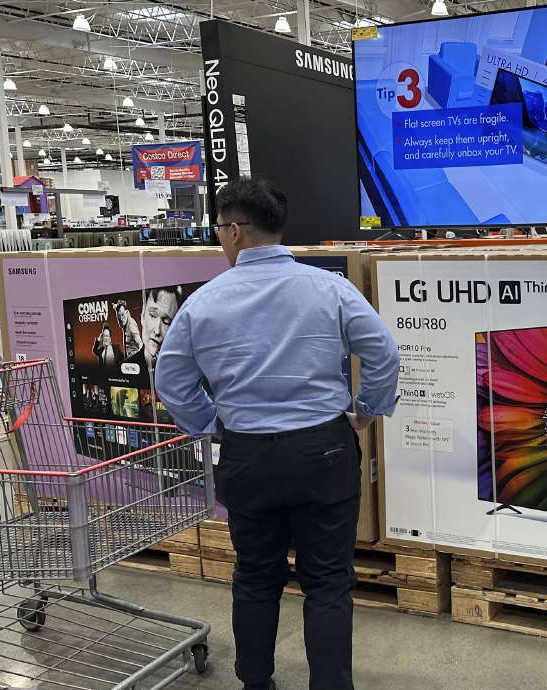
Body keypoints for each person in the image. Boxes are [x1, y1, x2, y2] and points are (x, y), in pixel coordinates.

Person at [155, 178, 399, 690]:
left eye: (219, 229)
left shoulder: (204, 302)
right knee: (329, 583)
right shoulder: (329, 288)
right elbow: (383, 353)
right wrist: (367, 409)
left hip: (248, 456)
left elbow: (171, 380)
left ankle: (256, 683)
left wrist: (206, 423)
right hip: (324, 449)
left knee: (255, 576)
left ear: (236, 231)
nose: (219, 237)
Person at [125, 285, 183, 381]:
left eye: (166, 322)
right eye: (152, 315)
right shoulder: (123, 370)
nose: (157, 330)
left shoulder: (185, 374)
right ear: (143, 315)